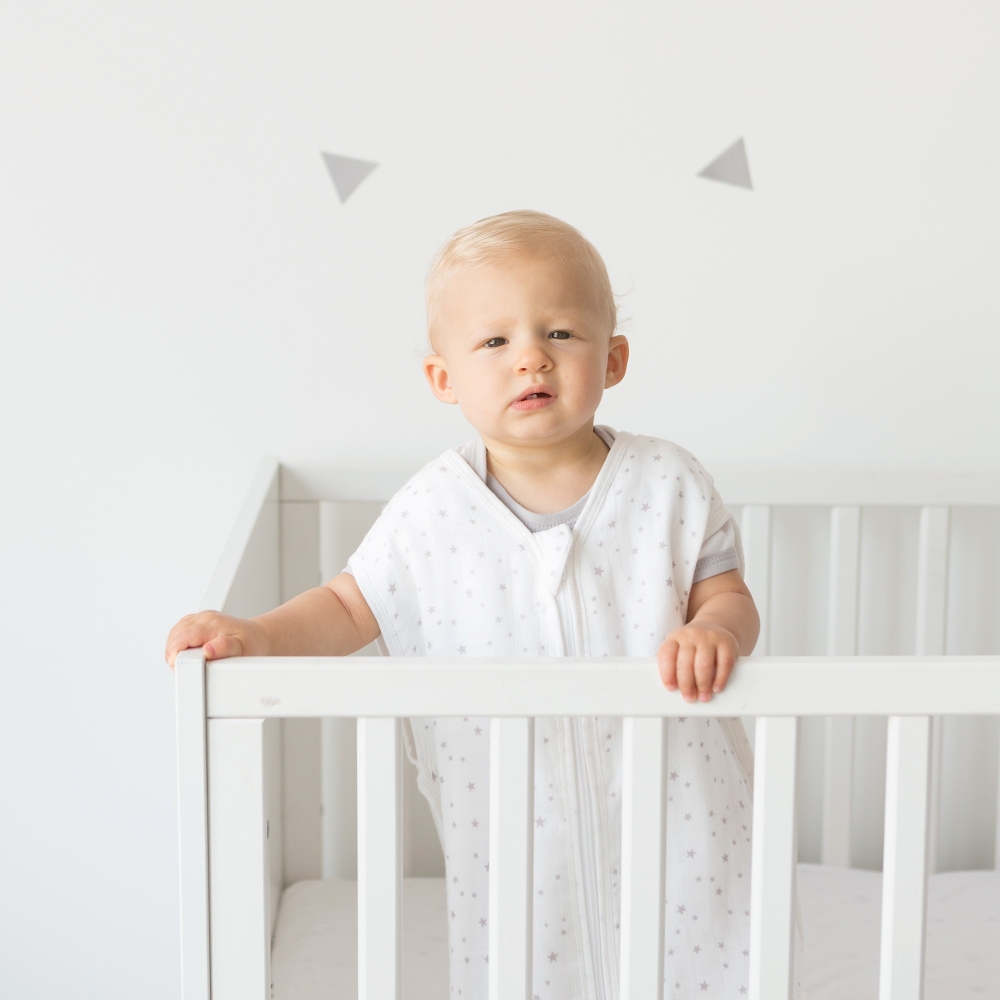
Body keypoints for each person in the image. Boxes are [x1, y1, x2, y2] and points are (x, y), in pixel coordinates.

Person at [166, 210, 761, 999]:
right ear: (443, 378)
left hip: (678, 815)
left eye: (560, 333)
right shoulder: (431, 509)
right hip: (514, 831)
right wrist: (257, 635)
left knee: (705, 964)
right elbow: (348, 607)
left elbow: (726, 593)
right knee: (522, 970)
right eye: (494, 342)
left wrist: (715, 627)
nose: (530, 359)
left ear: (612, 359)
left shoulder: (668, 483)